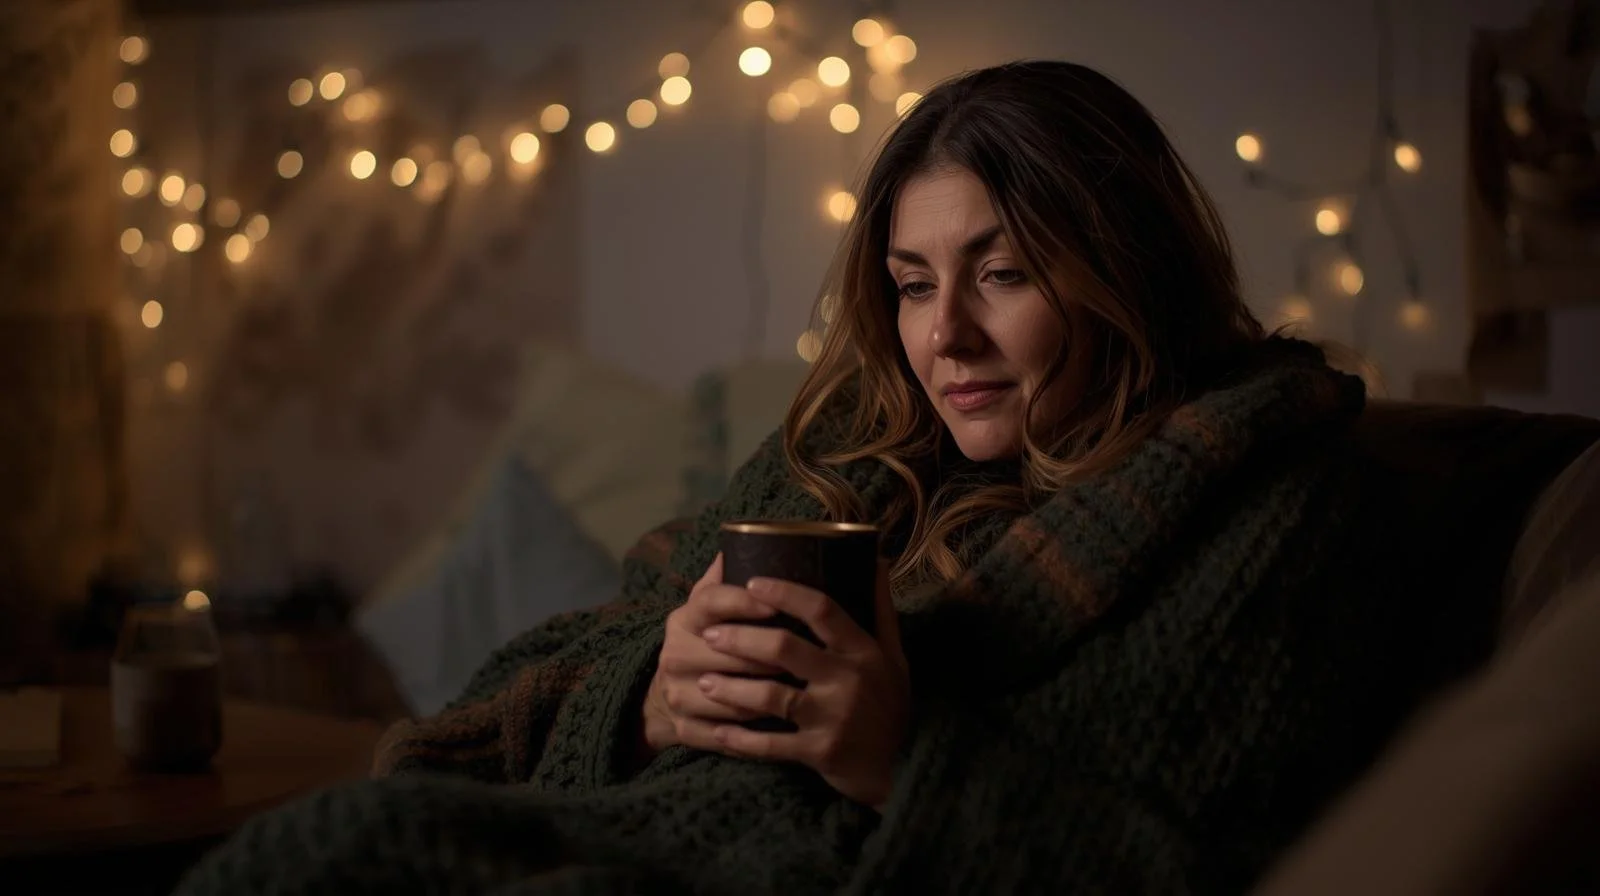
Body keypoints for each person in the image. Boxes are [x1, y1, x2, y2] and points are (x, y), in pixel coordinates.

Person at [177, 60, 1430, 895]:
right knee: (316, 847)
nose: (944, 339)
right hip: (635, 826)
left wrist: (898, 758)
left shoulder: (1273, 501)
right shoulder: (852, 449)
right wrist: (651, 699)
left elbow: (1237, 864)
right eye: (912, 281)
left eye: (1001, 274)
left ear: (1123, 269)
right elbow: (512, 686)